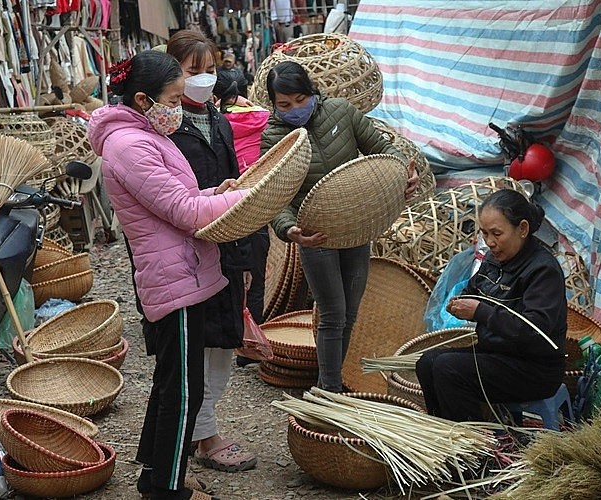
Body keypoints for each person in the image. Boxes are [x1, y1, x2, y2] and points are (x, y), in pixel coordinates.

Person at [88, 50, 249, 500]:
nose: (179, 106)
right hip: (173, 277)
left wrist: (215, 193)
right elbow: (183, 210)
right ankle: (168, 489)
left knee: (171, 385)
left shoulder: (142, 135)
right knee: (182, 391)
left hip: (183, 270)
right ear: (143, 100)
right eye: (174, 97)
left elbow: (180, 196)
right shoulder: (131, 145)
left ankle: (156, 474)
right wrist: (246, 199)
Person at [261, 61, 419, 392]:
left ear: (312, 91)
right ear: (273, 104)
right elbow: (276, 198)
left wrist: (403, 172)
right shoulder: (275, 137)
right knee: (332, 313)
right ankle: (329, 389)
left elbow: (383, 150)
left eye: (300, 99)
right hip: (315, 234)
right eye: (284, 104)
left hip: (357, 226)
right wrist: (290, 230)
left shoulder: (342, 112)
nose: (295, 110)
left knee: (350, 311)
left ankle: (334, 382)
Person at [165, 29, 258, 474]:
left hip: (226, 245)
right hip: (186, 251)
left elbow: (236, 184)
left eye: (210, 70)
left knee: (224, 340)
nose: (203, 79)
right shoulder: (164, 127)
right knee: (193, 347)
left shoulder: (219, 120)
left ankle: (205, 430)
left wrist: (242, 255)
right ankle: (199, 436)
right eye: (191, 72)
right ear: (172, 74)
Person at [415, 189, 568, 422]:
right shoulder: (494, 259)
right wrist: (459, 302)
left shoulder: (543, 270)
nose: (490, 242)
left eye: (497, 233)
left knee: (449, 368)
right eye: (485, 233)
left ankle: (472, 447)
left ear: (523, 229)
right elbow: (474, 290)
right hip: (496, 355)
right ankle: (443, 432)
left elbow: (534, 331)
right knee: (427, 363)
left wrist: (480, 311)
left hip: (534, 369)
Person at [213, 69, 271, 368]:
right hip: (257, 202)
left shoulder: (215, 124)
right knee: (256, 276)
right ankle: (250, 343)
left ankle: (232, 336)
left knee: (227, 273)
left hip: (222, 202)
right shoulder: (262, 118)